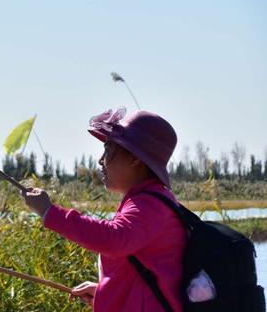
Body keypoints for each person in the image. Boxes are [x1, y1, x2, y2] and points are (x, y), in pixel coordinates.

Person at [23, 108, 187, 311]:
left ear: (135, 159)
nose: (101, 160)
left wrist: (50, 212)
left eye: (109, 150)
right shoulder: (147, 200)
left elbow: (114, 239)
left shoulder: (149, 205)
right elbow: (142, 271)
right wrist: (105, 290)